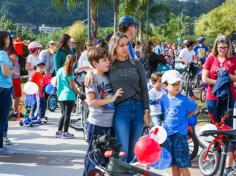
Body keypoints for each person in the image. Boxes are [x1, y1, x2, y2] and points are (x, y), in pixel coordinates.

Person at [83, 47, 123, 175]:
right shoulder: (91, 79)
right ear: (95, 63)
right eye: (104, 60)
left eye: (108, 60)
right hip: (97, 124)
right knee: (93, 158)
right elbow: (91, 102)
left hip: (109, 124)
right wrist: (111, 100)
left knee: (105, 160)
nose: (108, 62)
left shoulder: (107, 75)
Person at [202, 35, 236, 175]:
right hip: (212, 97)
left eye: (224, 47)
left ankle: (227, 164)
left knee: (226, 128)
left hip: (228, 97)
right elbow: (204, 78)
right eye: (219, 47)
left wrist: (226, 77)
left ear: (229, 47)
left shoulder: (233, 59)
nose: (221, 50)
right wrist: (219, 82)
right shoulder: (211, 58)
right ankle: (216, 157)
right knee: (215, 127)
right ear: (216, 47)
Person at [160, 70, 197, 176]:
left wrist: (189, 115)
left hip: (180, 136)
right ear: (165, 85)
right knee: (173, 164)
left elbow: (194, 107)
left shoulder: (183, 99)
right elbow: (164, 113)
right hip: (167, 136)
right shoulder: (163, 99)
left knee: (182, 165)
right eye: (173, 84)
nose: (177, 86)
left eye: (178, 84)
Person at [0, 30, 17, 155]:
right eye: (8, 38)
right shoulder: (2, 54)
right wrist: (13, 72)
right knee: (2, 118)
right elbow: (5, 73)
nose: (9, 40)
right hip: (4, 89)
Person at [56, 55, 80, 139]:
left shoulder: (59, 70)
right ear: (74, 63)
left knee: (63, 114)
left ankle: (59, 131)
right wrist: (79, 93)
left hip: (61, 95)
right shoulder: (69, 71)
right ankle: (65, 132)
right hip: (69, 95)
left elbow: (57, 83)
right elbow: (72, 86)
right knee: (67, 115)